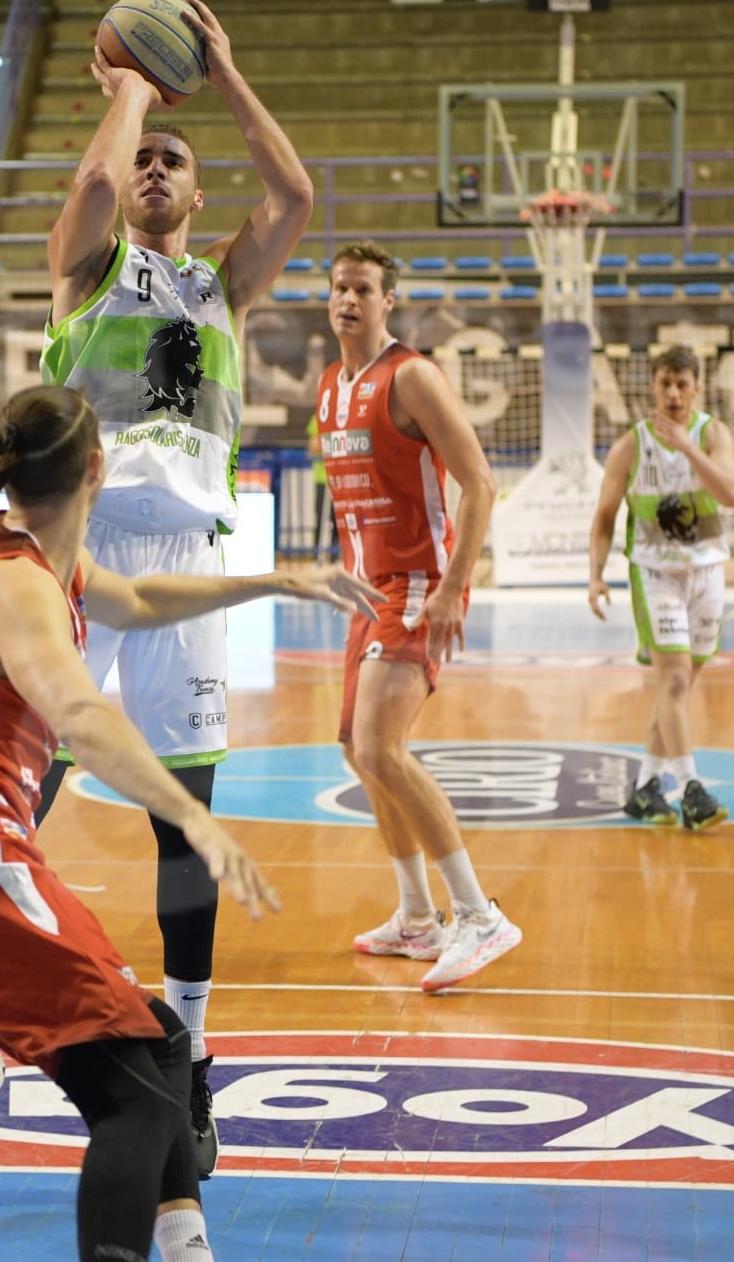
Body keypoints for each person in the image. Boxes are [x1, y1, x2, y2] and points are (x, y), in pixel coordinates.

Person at [0, 0, 314, 1176]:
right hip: (72, 557)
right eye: (142, 158)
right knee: (12, 805)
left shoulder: (223, 290)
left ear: (195, 195)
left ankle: (189, 1054)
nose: (150, 168)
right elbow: (93, 182)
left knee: (180, 820)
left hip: (184, 567)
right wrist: (131, 84)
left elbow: (293, 197)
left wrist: (223, 72)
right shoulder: (85, 272)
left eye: (171, 162)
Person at [0, 386, 376, 1262]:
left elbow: (134, 598)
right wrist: (190, 814)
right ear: (98, 468)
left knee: (159, 1046)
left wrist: (278, 579)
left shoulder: (16, 550)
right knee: (134, 1097)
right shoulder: (17, 587)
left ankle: (186, 1244)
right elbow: (83, 716)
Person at [316, 242, 520, 991]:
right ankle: (415, 916)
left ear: (388, 301)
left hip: (416, 582)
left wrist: (453, 585)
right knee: (357, 748)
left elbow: (480, 482)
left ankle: (477, 914)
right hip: (366, 589)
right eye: (340, 288)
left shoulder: (412, 376)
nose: (348, 300)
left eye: (363, 290)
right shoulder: (330, 385)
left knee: (382, 746)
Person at [587, 345, 734, 831]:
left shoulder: (713, 434)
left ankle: (646, 787)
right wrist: (596, 574)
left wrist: (688, 448)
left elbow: (731, 494)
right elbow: (605, 516)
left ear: (696, 389)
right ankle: (691, 789)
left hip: (707, 572)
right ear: (653, 387)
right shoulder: (630, 446)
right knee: (673, 681)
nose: (673, 393)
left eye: (682, 384)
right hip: (655, 574)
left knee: (679, 687)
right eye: (665, 384)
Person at [305, 411, 335, 562]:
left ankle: (336, 559)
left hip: (340, 480)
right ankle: (318, 557)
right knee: (321, 521)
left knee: (339, 523)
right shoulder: (318, 417)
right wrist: (336, 445)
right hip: (323, 479)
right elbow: (314, 447)